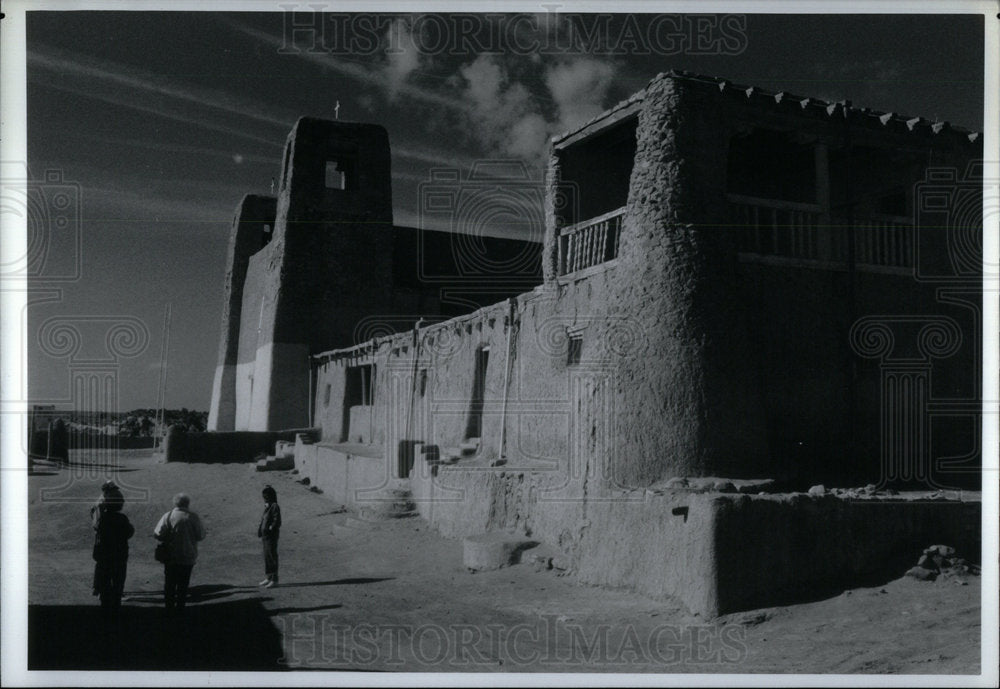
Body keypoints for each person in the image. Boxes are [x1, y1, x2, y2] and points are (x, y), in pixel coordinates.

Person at [153, 493, 206, 613]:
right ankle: (180, 609)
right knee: (183, 584)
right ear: (187, 503)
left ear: (175, 503)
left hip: (171, 556)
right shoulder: (193, 517)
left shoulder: (168, 516)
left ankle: (169, 609)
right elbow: (201, 536)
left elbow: (157, 534)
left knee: (169, 584)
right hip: (188, 556)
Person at [90, 481, 134, 616]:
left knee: (104, 579)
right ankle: (116, 608)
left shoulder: (102, 519)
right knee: (118, 581)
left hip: (104, 554)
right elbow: (129, 533)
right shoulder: (122, 518)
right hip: (120, 554)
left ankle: (103, 603)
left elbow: (96, 528)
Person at [257, 485, 282, 588]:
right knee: (267, 556)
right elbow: (263, 520)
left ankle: (274, 579)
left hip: (271, 536)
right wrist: (260, 530)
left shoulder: (274, 506)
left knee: (272, 556)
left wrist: (271, 528)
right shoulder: (267, 506)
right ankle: (268, 577)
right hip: (265, 537)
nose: (264, 499)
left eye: (266, 497)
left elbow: (277, 521)